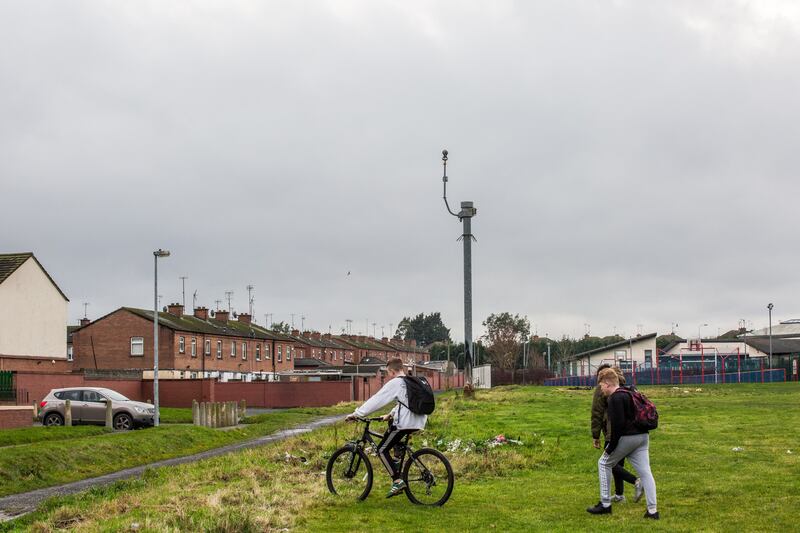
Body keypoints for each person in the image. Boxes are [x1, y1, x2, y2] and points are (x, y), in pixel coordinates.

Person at [346, 357, 427, 498]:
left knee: (381, 449)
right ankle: (397, 457)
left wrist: (357, 414)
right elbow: (405, 402)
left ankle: (397, 481)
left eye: (387, 371)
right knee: (391, 430)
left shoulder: (396, 382)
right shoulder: (409, 381)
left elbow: (377, 399)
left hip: (405, 423)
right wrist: (390, 414)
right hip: (418, 421)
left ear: (391, 370)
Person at [587, 367, 659, 519]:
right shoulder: (631, 391)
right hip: (642, 437)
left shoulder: (615, 398)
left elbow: (617, 426)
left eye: (601, 386)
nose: (601, 390)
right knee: (646, 472)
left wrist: (611, 447)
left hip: (627, 438)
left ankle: (605, 504)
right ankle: (652, 511)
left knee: (603, 463)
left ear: (607, 384)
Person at [590, 364, 641, 503]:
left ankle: (635, 481)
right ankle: (619, 495)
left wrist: (595, 435)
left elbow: (597, 413)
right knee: (618, 463)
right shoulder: (625, 386)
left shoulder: (603, 389)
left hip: (612, 431)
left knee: (608, 463)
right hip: (629, 431)